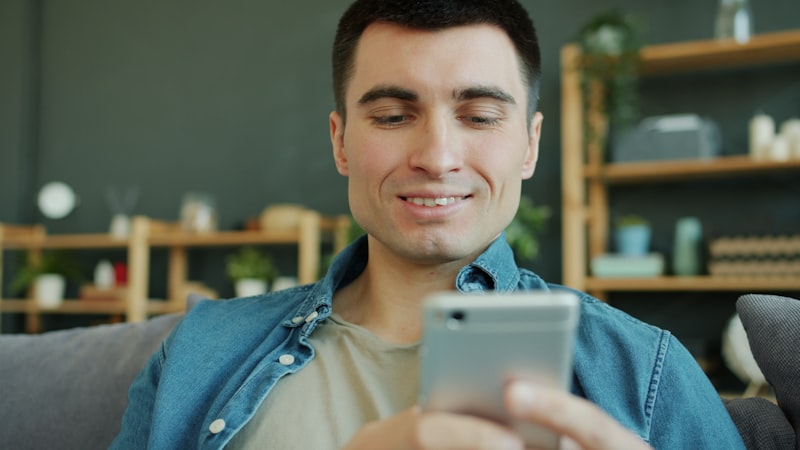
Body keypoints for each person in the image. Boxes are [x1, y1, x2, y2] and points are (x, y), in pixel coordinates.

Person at [112, 1, 746, 448]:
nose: (438, 157)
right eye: (391, 115)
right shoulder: (197, 353)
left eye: (479, 116)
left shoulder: (646, 371)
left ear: (529, 145)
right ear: (340, 142)